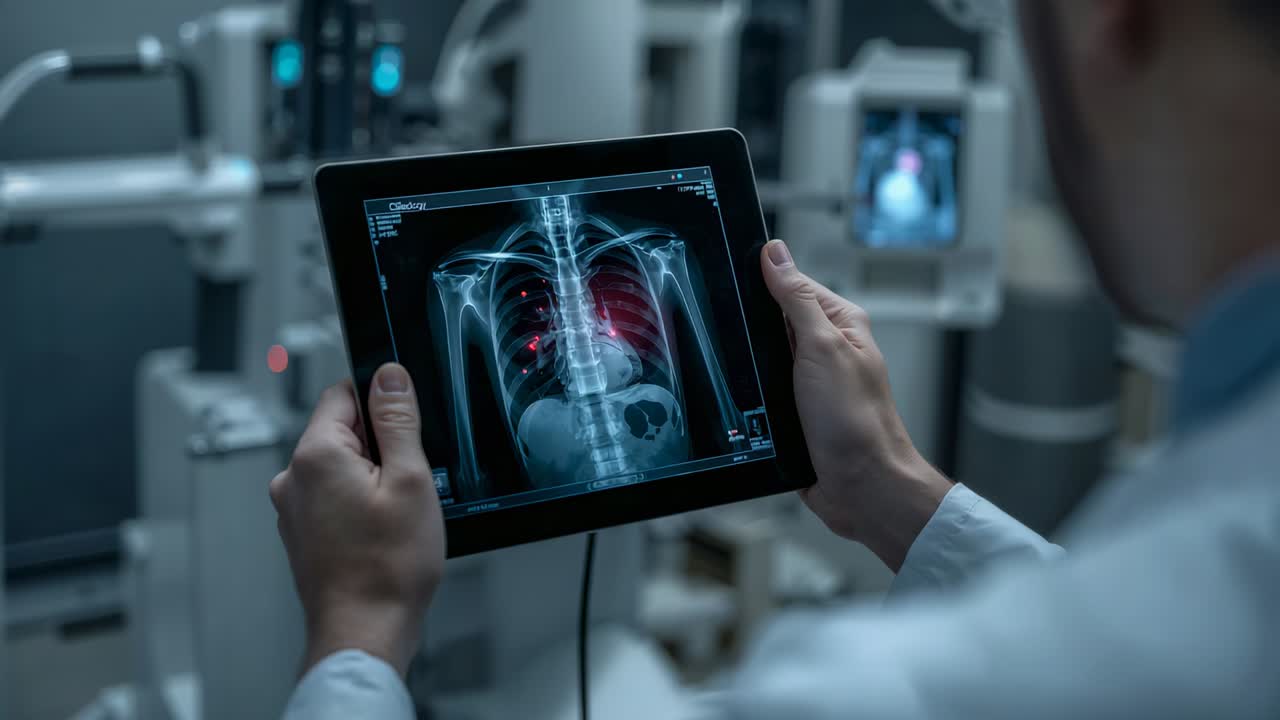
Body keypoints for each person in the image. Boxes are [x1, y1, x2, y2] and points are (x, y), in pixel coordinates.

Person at [272, 0, 1280, 717]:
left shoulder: (873, 692)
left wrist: (358, 628)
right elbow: (1107, 635)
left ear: (1114, 19)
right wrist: (881, 485)